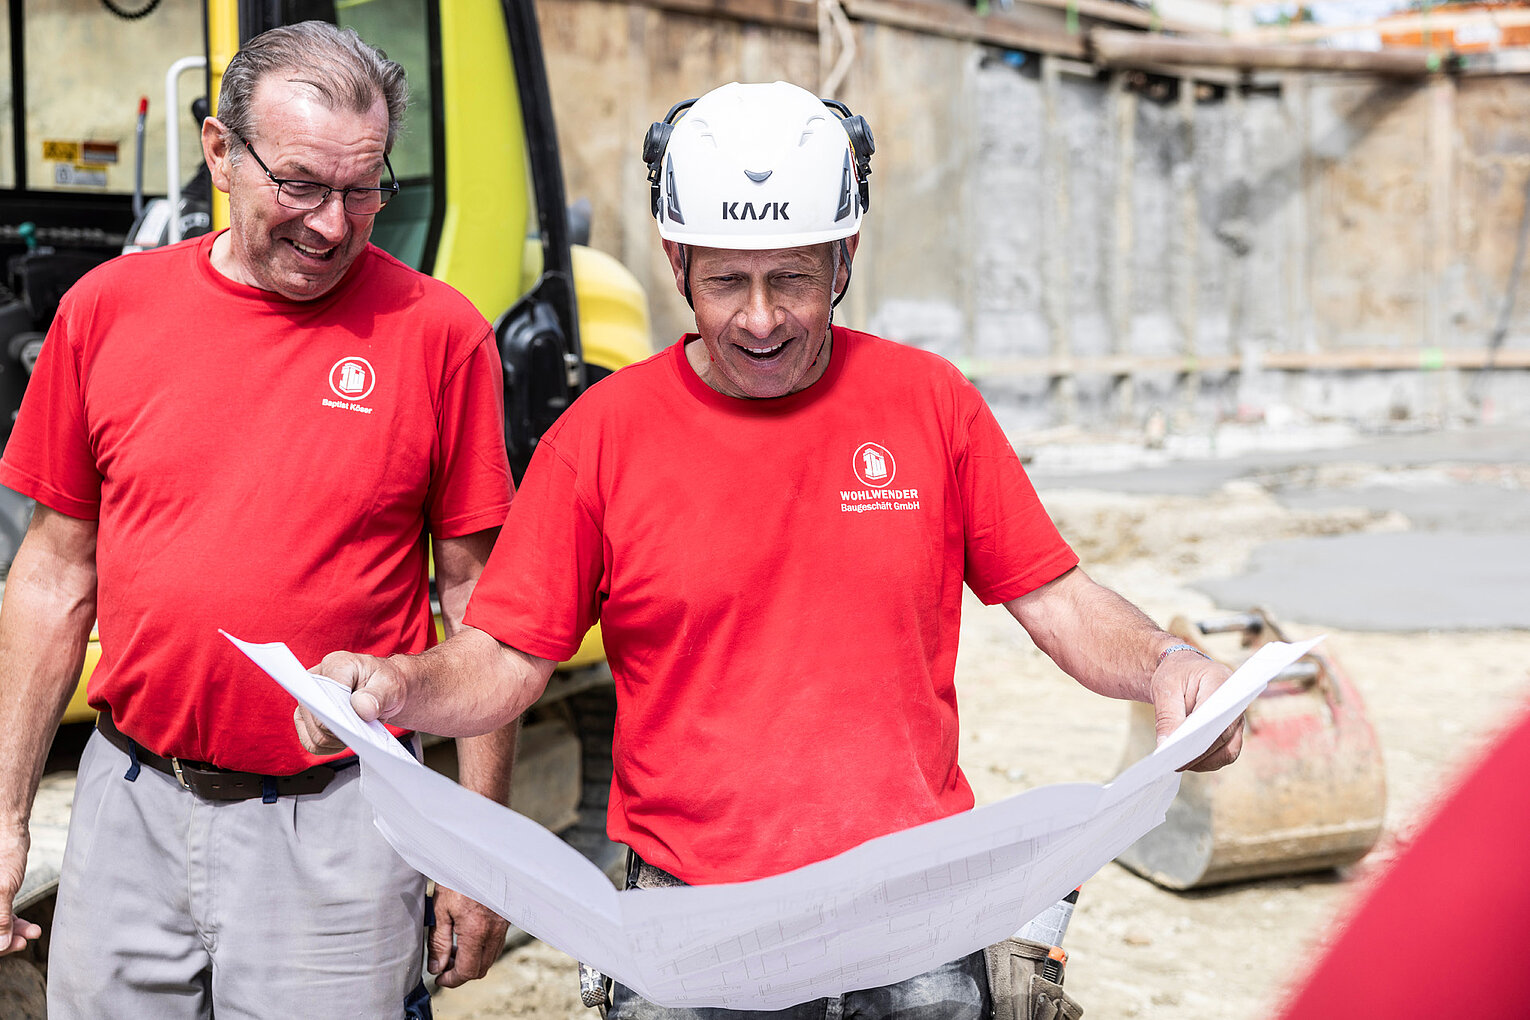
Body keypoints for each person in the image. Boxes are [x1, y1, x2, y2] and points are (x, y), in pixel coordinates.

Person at [297, 80, 1245, 1019]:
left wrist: (1169, 664)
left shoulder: (931, 403)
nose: (759, 319)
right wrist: (396, 686)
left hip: (913, 923)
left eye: (791, 278)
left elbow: (1060, 599)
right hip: (696, 934)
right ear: (676, 262)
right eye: (726, 282)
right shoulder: (602, 436)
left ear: (845, 257)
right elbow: (505, 659)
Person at [0, 21, 517, 1018]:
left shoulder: (440, 336)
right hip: (128, 811)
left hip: (339, 830)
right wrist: (6, 817)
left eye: (362, 190)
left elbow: (477, 604)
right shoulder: (106, 312)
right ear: (220, 152)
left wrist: (476, 852)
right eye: (302, 185)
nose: (332, 224)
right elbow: (53, 576)